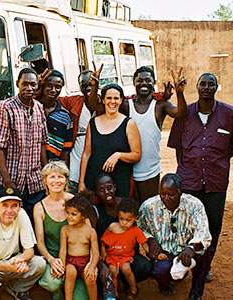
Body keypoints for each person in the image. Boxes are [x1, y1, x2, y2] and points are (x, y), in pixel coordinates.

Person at [167, 72, 233, 283]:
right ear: (197, 87)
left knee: (213, 225)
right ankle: (186, 261)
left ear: (216, 87)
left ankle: (206, 267)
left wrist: (216, 163)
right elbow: (178, 147)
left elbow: (230, 148)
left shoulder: (228, 114)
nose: (206, 87)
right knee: (188, 224)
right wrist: (187, 168)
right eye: (202, 83)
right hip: (189, 180)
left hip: (216, 181)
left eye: (210, 84)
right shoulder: (185, 113)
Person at [89, 66, 187, 203]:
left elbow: (180, 113)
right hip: (127, 170)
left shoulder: (160, 105)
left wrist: (179, 93)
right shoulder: (125, 105)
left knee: (149, 208)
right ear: (134, 82)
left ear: (154, 83)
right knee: (129, 211)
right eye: (140, 80)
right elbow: (95, 106)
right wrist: (94, 87)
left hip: (150, 170)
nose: (144, 83)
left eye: (148, 80)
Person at [137, 174, 212, 300]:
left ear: (180, 192)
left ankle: (196, 293)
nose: (166, 198)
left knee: (205, 253)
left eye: (171, 194)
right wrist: (150, 240)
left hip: (187, 249)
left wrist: (191, 248)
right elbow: (139, 226)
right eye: (163, 194)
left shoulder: (194, 205)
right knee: (160, 270)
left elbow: (203, 231)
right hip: (165, 251)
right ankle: (164, 283)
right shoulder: (148, 206)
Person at [0, 68, 48, 219]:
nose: (29, 88)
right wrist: (7, 180)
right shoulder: (5, 108)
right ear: (17, 84)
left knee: (33, 223)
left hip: (35, 182)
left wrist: (46, 174)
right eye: (25, 84)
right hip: (11, 181)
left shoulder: (39, 108)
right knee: (9, 223)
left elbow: (42, 143)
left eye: (33, 84)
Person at [0, 187, 46, 300]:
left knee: (39, 263)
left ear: (20, 207)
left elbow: (29, 250)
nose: (9, 210)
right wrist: (10, 266)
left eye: (14, 205)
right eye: (5, 205)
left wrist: (20, 259)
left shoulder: (21, 214)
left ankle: (16, 289)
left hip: (12, 259)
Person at [33, 161, 88, 299]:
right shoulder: (39, 207)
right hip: (53, 257)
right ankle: (58, 291)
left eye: (60, 177)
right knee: (53, 284)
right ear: (45, 181)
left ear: (66, 180)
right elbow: (40, 242)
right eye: (52, 177)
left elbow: (89, 231)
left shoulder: (76, 201)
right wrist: (51, 260)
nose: (56, 181)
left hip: (76, 259)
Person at [79, 83, 141, 197]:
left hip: (119, 182)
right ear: (102, 100)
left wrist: (118, 155)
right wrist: (81, 182)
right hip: (94, 181)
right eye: (109, 98)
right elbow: (86, 154)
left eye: (116, 98)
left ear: (121, 100)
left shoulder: (128, 123)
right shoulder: (93, 123)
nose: (112, 102)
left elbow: (136, 155)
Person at [93, 173, 152, 293]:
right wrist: (101, 263)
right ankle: (114, 289)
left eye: (109, 187)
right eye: (102, 190)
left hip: (128, 254)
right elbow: (99, 240)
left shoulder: (127, 206)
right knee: (103, 275)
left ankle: (126, 285)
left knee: (145, 267)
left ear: (115, 187)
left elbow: (140, 235)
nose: (107, 192)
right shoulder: (98, 212)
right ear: (97, 193)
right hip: (109, 257)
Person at [101, 198, 149, 299]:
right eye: (121, 219)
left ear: (135, 218)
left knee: (126, 269)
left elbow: (144, 244)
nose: (124, 223)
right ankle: (115, 293)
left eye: (128, 220)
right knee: (113, 272)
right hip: (112, 256)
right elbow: (103, 241)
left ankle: (133, 289)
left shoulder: (135, 230)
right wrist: (103, 252)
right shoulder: (112, 227)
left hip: (125, 256)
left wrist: (152, 254)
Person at [58, 70, 96, 192]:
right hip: (77, 158)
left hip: (97, 158)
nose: (88, 88)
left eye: (91, 84)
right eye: (83, 86)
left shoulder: (104, 101)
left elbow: (126, 98)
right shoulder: (74, 101)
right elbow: (50, 99)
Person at [59, 194, 99, 300]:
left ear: (83, 216)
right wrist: (62, 267)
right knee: (70, 273)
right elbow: (63, 250)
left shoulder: (90, 231)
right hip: (71, 261)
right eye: (67, 213)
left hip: (85, 261)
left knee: (90, 277)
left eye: (74, 214)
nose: (69, 217)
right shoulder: (65, 230)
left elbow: (95, 252)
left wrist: (92, 266)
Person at [37, 70, 73, 163]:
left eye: (58, 87)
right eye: (49, 86)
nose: (53, 90)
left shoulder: (65, 116)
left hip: (52, 167)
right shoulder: (32, 107)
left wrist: (63, 171)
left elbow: (66, 149)